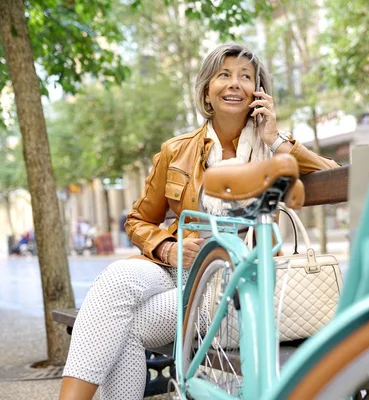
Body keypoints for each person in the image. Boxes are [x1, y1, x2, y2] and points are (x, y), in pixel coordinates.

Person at [59, 43, 339, 400]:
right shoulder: (176, 151)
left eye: (246, 76)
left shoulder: (275, 149)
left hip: (233, 281)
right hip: (176, 266)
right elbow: (138, 219)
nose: (234, 83)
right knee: (114, 282)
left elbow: (335, 177)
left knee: (122, 327)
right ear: (207, 89)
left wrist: (276, 137)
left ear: (259, 92)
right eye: (224, 75)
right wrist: (170, 248)